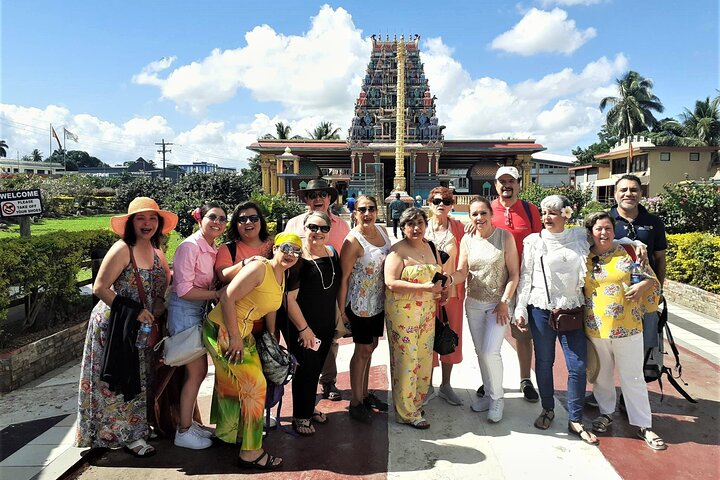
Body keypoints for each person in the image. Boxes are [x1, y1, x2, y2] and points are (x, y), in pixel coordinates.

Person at [76, 197, 176, 457]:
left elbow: (161, 285)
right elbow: (100, 287)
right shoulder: (122, 249)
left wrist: (157, 304)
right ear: (131, 223)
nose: (147, 223)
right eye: (141, 218)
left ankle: (136, 429)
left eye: (152, 218)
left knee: (141, 378)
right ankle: (122, 435)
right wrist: (135, 311)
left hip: (142, 328)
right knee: (116, 380)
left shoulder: (157, 251)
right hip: (116, 325)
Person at [203, 232, 302, 470]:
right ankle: (251, 452)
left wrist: (271, 338)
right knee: (255, 387)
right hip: (224, 330)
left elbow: (270, 309)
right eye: (286, 247)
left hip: (242, 332)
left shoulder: (282, 275)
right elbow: (226, 297)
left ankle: (230, 434)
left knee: (234, 385)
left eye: (296, 250)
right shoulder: (260, 267)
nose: (290, 253)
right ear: (274, 247)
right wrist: (235, 337)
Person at [514, 195, 599, 446]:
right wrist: (520, 308)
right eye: (544, 212)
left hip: (572, 309)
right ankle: (548, 408)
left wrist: (635, 242)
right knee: (544, 361)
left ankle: (575, 418)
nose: (547, 218)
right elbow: (526, 275)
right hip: (541, 308)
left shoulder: (579, 237)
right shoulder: (533, 241)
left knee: (578, 364)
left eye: (553, 212)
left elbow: (608, 240)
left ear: (566, 214)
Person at [583, 212, 666, 450]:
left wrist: (642, 284)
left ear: (614, 231)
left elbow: (651, 279)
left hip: (628, 326)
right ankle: (606, 412)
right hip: (595, 328)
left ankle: (643, 424)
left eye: (608, 228)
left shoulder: (629, 253)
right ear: (591, 232)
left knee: (633, 376)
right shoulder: (584, 257)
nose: (604, 233)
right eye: (599, 229)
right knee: (602, 375)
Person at [585, 174, 669, 408]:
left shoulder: (653, 222)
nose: (628, 194)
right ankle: (603, 394)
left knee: (641, 346)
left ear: (641, 193)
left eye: (633, 190)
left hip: (643, 296)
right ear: (615, 194)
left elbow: (660, 259)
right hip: (610, 301)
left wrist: (657, 289)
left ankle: (629, 396)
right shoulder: (605, 220)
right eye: (623, 190)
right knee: (605, 350)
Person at [448, 197, 519, 423]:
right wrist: (448, 279)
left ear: (491, 214)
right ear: (470, 217)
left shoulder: (504, 237)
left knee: (491, 352)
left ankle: (498, 398)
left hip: (498, 305)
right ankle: (488, 393)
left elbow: (514, 274)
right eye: (475, 214)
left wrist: (504, 301)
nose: (479, 218)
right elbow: (462, 271)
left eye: (483, 213)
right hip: (474, 303)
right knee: (481, 352)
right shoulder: (468, 240)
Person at [285, 178, 350, 402]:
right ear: (306, 200)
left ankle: (328, 380)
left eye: (323, 194)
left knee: (329, 341)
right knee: (304, 347)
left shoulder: (341, 226)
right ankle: (304, 400)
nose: (318, 199)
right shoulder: (293, 224)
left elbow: (346, 260)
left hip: (329, 290)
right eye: (313, 195)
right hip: (299, 296)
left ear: (330, 198)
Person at [168, 202, 226, 449]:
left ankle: (190, 424)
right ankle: (183, 431)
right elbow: (183, 290)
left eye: (223, 219)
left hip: (198, 311)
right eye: (212, 217)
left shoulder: (212, 248)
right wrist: (217, 295)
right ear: (199, 218)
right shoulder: (189, 247)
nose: (218, 222)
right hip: (185, 313)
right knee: (197, 372)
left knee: (197, 373)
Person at [384, 207, 446, 429]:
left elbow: (439, 273)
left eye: (419, 222)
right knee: (406, 361)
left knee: (423, 358)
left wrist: (442, 288)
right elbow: (391, 282)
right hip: (403, 313)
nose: (416, 228)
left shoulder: (430, 246)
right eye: (410, 224)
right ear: (402, 228)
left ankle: (416, 402)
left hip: (427, 311)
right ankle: (406, 412)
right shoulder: (397, 251)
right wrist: (424, 288)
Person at [487, 166, 541, 403]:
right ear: (495, 184)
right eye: (502, 181)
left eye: (511, 181)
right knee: (491, 334)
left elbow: (541, 243)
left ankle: (524, 379)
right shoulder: (487, 210)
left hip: (524, 280)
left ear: (519, 183)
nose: (506, 185)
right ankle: (489, 379)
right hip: (494, 280)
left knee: (522, 332)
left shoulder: (530, 211)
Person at [284, 212, 341, 435]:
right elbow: (289, 299)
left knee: (315, 367)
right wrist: (304, 329)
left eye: (323, 228)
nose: (318, 233)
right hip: (302, 324)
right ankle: (301, 416)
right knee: (305, 369)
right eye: (313, 228)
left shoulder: (332, 252)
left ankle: (309, 407)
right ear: (304, 228)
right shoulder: (298, 259)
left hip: (325, 321)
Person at [337, 195, 392, 424]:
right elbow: (344, 279)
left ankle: (365, 392)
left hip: (377, 302)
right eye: (362, 210)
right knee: (362, 350)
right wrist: (340, 313)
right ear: (355, 213)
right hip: (359, 305)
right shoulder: (353, 241)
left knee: (372, 347)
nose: (367, 213)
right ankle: (356, 401)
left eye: (371, 209)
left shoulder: (382, 231)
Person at [424, 187, 466, 406]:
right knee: (428, 336)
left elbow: (465, 262)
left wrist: (450, 281)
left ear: (452, 204)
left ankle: (446, 385)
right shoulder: (422, 227)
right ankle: (428, 384)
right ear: (429, 203)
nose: (441, 204)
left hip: (452, 292)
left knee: (450, 335)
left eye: (447, 201)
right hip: (427, 293)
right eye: (437, 200)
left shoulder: (459, 228)